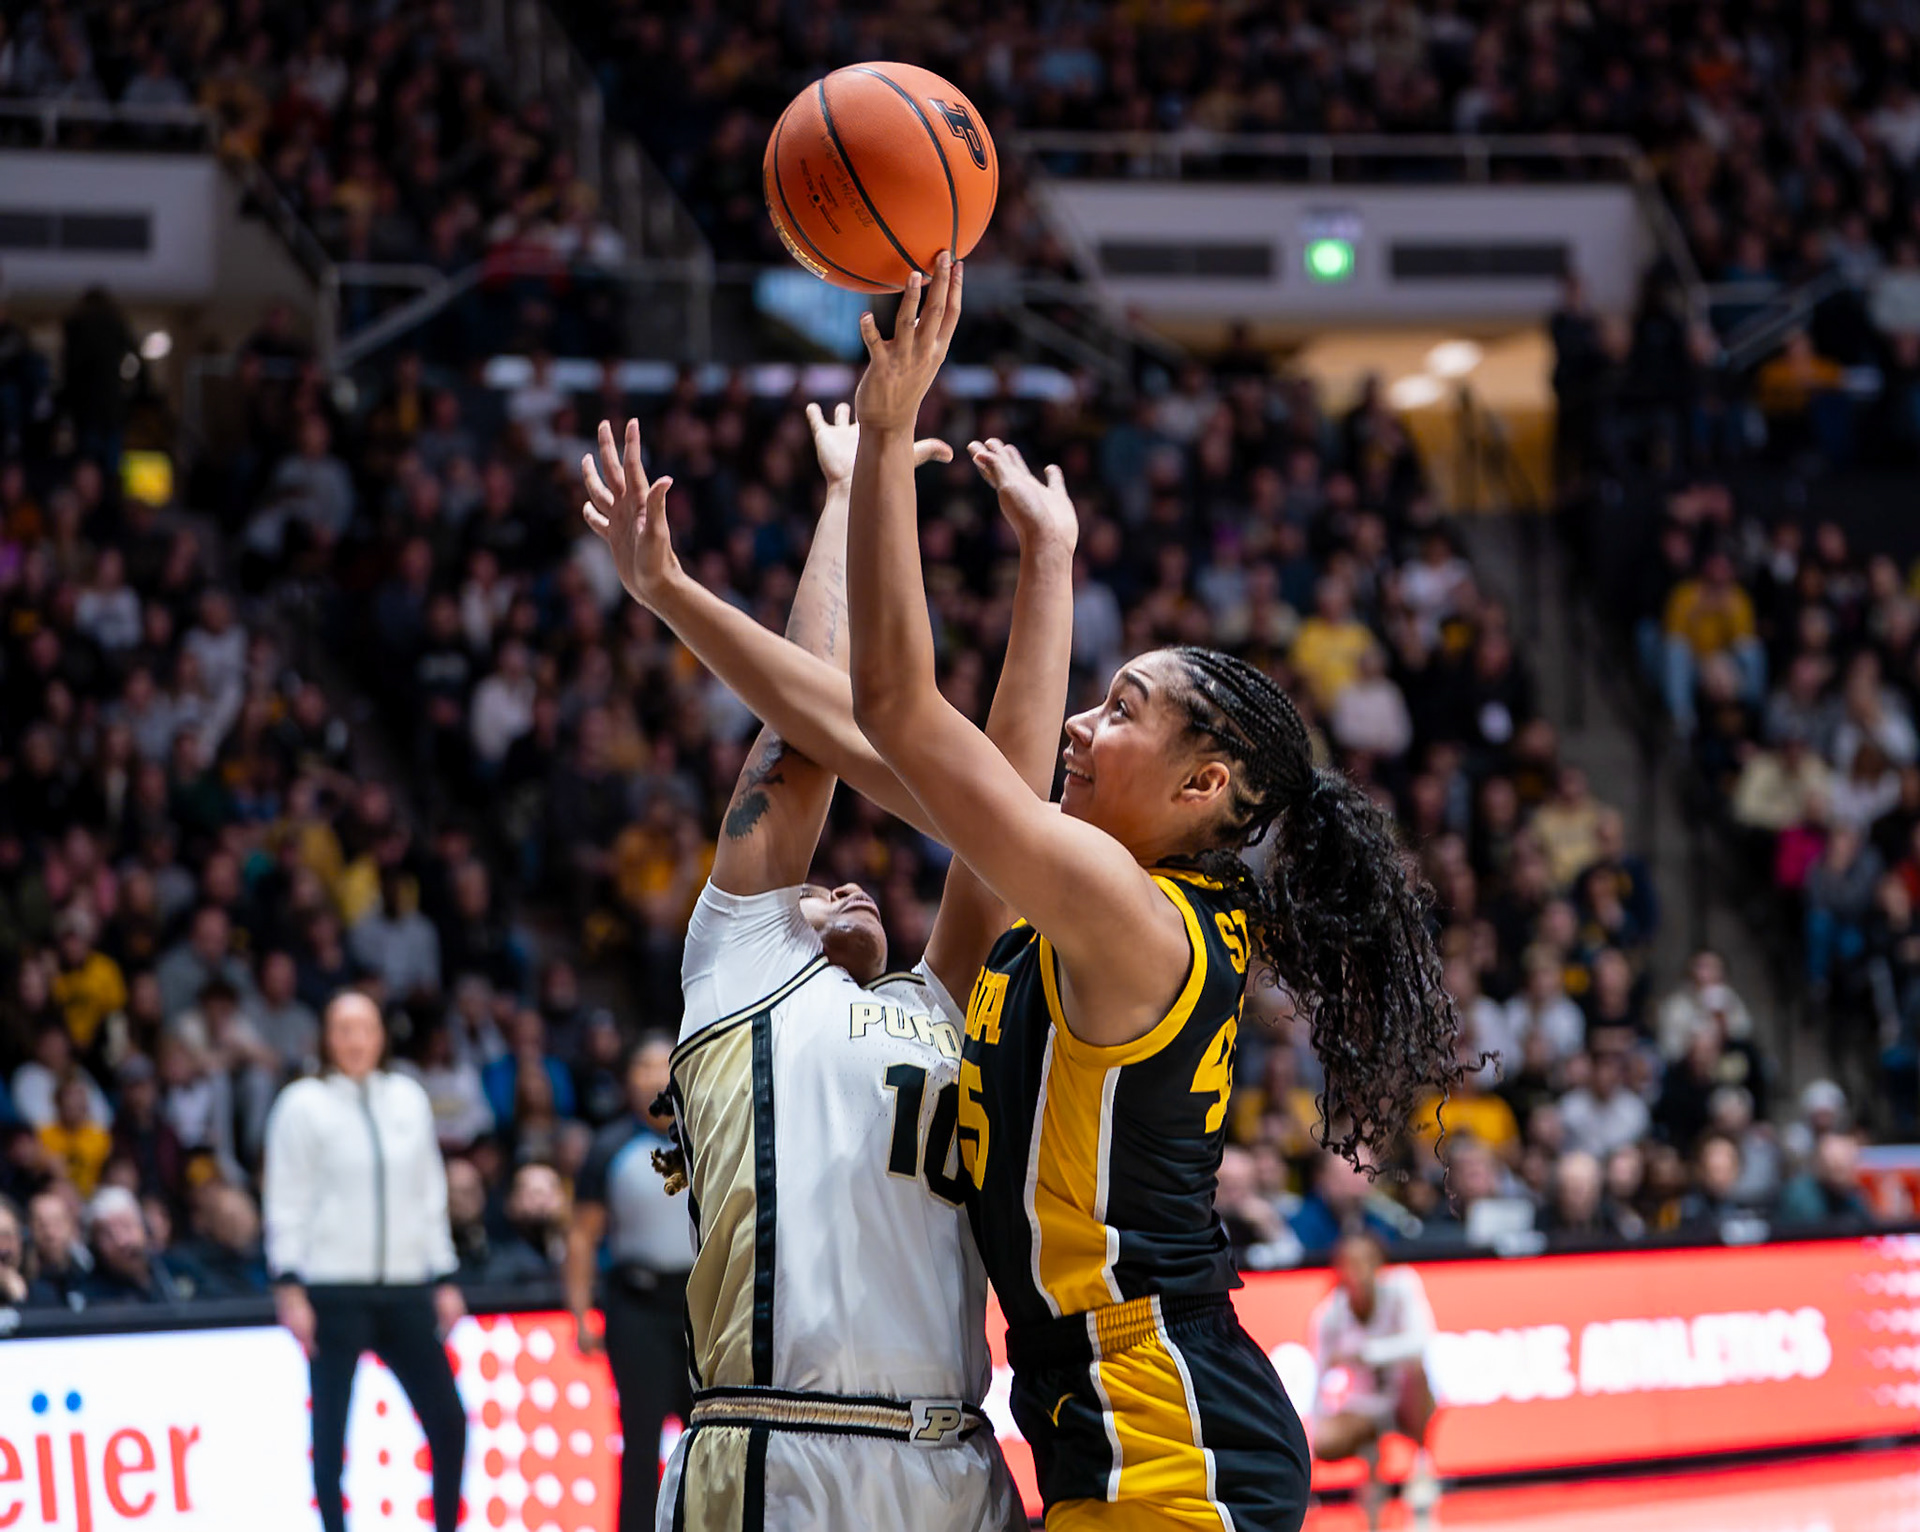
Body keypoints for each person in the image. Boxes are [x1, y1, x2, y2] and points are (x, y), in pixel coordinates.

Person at [841, 256, 1462, 1530]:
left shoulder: (1130, 914)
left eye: (1121, 709)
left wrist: (891, 433)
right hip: (1108, 1412)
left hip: (1165, 1429)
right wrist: (674, 594)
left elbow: (901, 711)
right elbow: (884, 741)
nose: (1083, 722)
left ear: (1204, 784)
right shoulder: (1099, 895)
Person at [582, 400, 1063, 1531]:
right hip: (778, 1444)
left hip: (953, 1453)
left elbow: (1007, 806)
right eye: (818, 881)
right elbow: (797, 733)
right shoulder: (743, 967)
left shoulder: (942, 1006)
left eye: (863, 881)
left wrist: (1049, 559)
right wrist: (846, 502)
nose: (847, 881)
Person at [263, 992, 467, 1532]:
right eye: (343, 1028)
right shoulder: (302, 1103)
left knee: (449, 1422)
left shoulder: (407, 1097)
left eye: (364, 1027)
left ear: (381, 1035)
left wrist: (443, 1274)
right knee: (331, 1437)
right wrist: (288, 1283)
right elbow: (286, 1197)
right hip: (332, 1289)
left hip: (404, 1286)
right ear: (328, 1037)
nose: (354, 1039)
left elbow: (430, 1192)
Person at [565, 1036, 693, 1530]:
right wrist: (579, 1314)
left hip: (697, 1311)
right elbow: (581, 1238)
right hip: (635, 1308)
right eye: (642, 1066)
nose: (653, 1076)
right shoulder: (608, 1148)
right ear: (626, 1080)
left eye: (664, 1065)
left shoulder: (709, 1136)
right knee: (639, 1440)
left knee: (705, 1437)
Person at [1308, 1231, 1440, 1514]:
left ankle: (1420, 1463)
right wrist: (1309, 1455)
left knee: (1416, 1369)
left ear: (1379, 1263)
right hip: (1363, 1407)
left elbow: (1423, 1340)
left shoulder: (1402, 1287)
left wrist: (1368, 1353)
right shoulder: (1329, 1315)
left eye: (1365, 1262)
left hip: (1405, 1399)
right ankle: (1371, 1457)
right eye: (1350, 1263)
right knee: (1326, 1442)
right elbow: (1319, 1378)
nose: (1359, 1271)